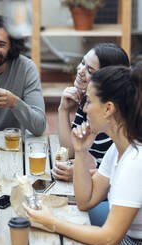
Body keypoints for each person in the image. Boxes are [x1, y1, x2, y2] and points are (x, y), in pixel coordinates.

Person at [24, 63, 142, 245]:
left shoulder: (135, 160)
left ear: (108, 108)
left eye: (89, 101)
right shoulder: (118, 149)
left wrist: (51, 223)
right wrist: (80, 151)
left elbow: (109, 239)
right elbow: (85, 201)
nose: (84, 109)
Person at [54, 43, 130, 182]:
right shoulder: (89, 102)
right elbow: (69, 152)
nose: (80, 70)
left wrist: (83, 174)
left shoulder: (121, 119)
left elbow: (125, 172)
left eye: (90, 70)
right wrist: (63, 110)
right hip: (102, 185)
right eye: (82, 63)